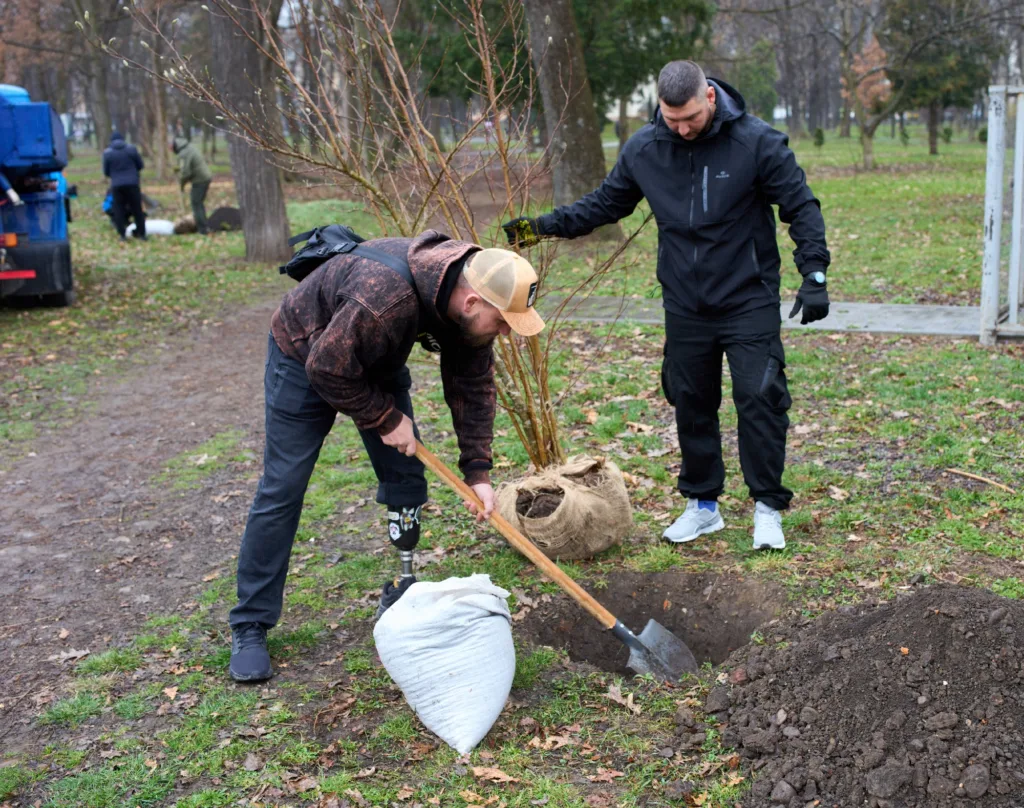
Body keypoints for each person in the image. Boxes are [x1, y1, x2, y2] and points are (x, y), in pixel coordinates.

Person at [503, 60, 830, 551]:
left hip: (748, 297)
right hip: (685, 303)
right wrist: (542, 227)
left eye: (691, 118)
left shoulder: (757, 143)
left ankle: (767, 508)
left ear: (710, 98)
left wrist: (815, 272)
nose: (681, 128)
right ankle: (703, 506)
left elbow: (800, 206)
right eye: (671, 118)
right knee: (691, 401)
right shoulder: (646, 148)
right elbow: (605, 204)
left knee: (759, 398)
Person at [227, 231, 545, 682]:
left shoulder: (469, 293)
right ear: (471, 303)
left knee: (406, 478)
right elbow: (326, 368)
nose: (507, 333)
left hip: (374, 354)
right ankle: (250, 623)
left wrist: (478, 471)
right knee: (284, 487)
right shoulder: (385, 297)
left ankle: (403, 585)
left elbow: (472, 387)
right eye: (504, 322)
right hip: (305, 355)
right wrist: (382, 416)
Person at [102, 131, 146, 240]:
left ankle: (122, 234)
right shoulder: (132, 149)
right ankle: (141, 234)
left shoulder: (107, 153)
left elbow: (106, 172)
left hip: (117, 185)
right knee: (137, 209)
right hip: (133, 183)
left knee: (118, 209)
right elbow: (140, 165)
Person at [171, 136, 213, 234]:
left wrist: (181, 185)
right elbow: (186, 166)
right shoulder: (189, 148)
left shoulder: (184, 153)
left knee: (196, 204)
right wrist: (178, 169)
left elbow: (186, 172)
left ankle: (202, 229)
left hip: (200, 180)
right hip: (204, 177)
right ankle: (203, 226)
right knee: (199, 203)